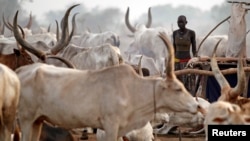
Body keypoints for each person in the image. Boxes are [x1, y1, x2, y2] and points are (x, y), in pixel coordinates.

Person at [172, 15, 196, 91]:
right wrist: (171, 60)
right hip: (176, 62)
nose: (180, 24)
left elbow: (194, 49)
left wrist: (195, 58)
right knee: (177, 82)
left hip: (187, 61)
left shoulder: (191, 33)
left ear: (186, 22)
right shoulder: (175, 33)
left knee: (187, 83)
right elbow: (174, 48)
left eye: (182, 22)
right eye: (178, 22)